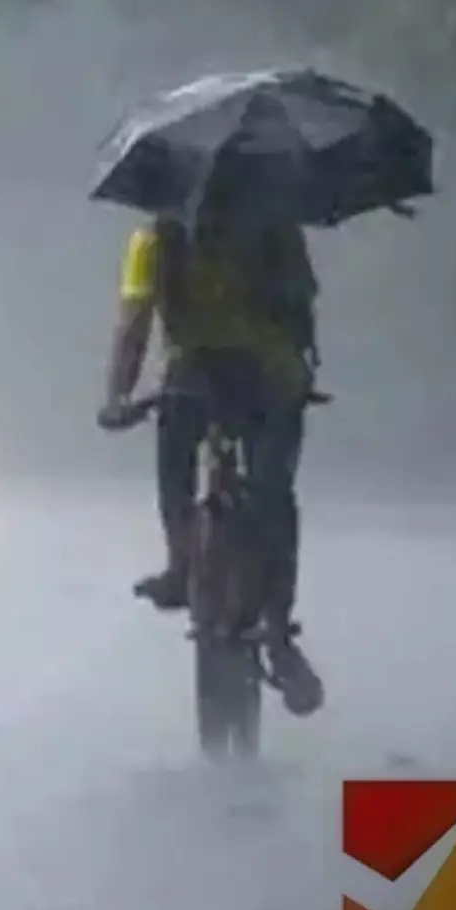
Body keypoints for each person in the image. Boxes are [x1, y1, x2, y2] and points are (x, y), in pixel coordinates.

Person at [96, 194, 324, 715]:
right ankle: (272, 628)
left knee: (219, 473)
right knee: (270, 491)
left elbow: (134, 323)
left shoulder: (157, 238)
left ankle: (198, 574)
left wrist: (118, 398)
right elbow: (302, 310)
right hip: (258, 377)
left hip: (228, 377)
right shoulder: (274, 224)